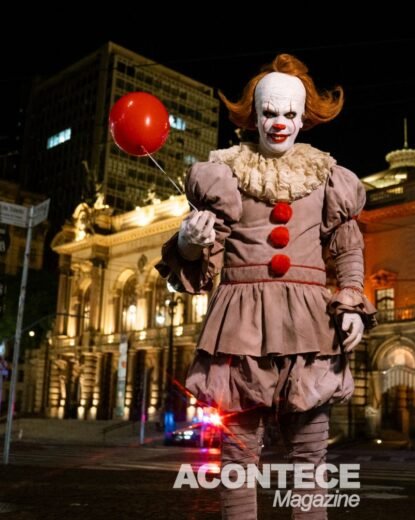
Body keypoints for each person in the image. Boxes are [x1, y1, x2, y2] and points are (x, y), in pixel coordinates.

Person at [156, 53, 376, 519]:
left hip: (310, 326)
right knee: (239, 458)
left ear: (304, 117)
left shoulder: (327, 177)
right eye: (270, 112)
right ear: (254, 115)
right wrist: (189, 242)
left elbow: (346, 248)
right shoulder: (224, 173)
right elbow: (201, 265)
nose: (280, 123)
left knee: (310, 457)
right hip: (241, 324)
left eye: (290, 113)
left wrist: (352, 301)